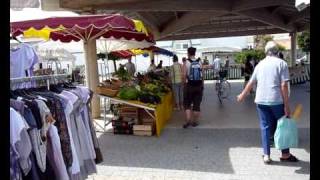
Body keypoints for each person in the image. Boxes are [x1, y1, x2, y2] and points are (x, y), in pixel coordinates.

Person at [237, 41, 298, 164]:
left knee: (265, 127)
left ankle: (266, 155)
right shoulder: (282, 63)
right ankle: (285, 154)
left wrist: (242, 95)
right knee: (283, 125)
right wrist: (287, 105)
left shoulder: (260, 65)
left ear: (266, 52)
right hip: (277, 101)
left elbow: (251, 81)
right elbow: (284, 85)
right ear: (277, 52)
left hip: (261, 100)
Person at [182, 47, 204, 128]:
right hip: (198, 85)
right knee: (196, 104)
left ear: (188, 53)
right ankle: (195, 121)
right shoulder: (199, 62)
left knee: (187, 103)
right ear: (195, 53)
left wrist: (184, 84)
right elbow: (202, 75)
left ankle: (188, 120)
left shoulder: (186, 62)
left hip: (189, 86)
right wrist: (202, 85)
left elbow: (184, 75)